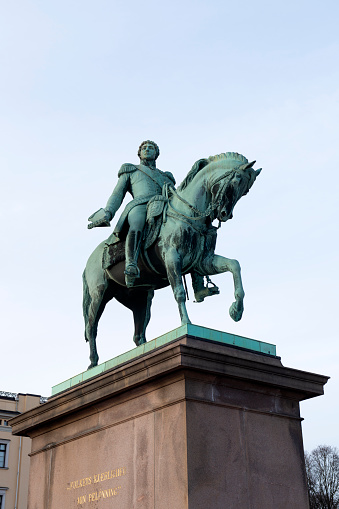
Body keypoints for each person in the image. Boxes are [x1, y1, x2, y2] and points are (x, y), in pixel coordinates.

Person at [88, 140, 176, 287]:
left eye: (151, 148)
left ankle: (198, 283)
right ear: (139, 153)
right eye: (144, 148)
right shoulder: (131, 170)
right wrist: (108, 212)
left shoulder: (166, 176)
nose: (147, 150)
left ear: (156, 154)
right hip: (139, 205)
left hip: (163, 207)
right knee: (137, 224)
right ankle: (131, 265)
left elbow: (174, 196)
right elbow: (118, 193)